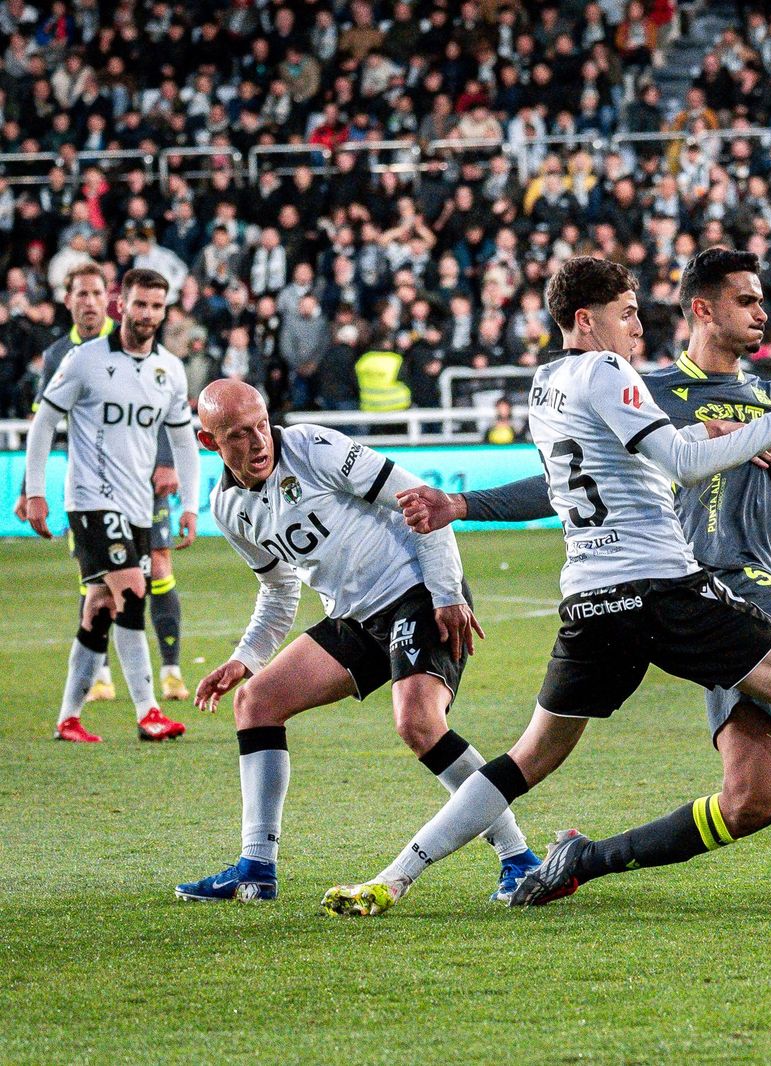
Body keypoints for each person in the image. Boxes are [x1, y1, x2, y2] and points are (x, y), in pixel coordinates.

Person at [320, 256, 771, 918]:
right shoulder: (631, 379)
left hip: (595, 598)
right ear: (699, 309)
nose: (637, 327)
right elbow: (673, 462)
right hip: (682, 585)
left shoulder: (556, 385)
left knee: (702, 792)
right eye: (627, 314)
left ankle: (405, 875)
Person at [174, 379, 540, 903]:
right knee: (256, 702)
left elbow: (424, 504)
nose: (258, 442)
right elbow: (278, 590)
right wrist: (245, 658)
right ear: (209, 442)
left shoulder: (312, 447)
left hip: (416, 591)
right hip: (355, 617)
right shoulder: (228, 509)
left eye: (261, 425)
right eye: (239, 435)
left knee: (418, 723)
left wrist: (446, 593)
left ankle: (517, 857)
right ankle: (256, 868)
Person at [22, 268, 200, 744]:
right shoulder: (84, 360)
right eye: (140, 304)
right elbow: (44, 423)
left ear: (164, 311)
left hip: (138, 505)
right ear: (121, 306)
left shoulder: (170, 369)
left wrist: (190, 506)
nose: (147, 314)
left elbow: (184, 440)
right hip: (90, 500)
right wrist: (35, 491)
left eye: (156, 306)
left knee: (99, 607)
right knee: (133, 592)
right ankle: (149, 712)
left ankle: (68, 719)